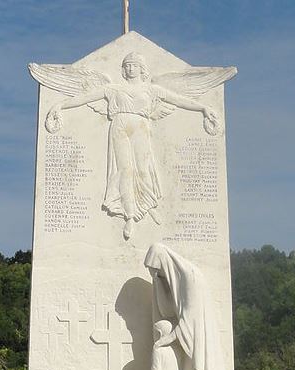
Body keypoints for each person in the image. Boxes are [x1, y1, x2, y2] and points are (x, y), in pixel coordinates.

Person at [44, 52, 220, 239]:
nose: (130, 68)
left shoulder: (153, 89)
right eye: (127, 65)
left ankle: (148, 204)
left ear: (141, 68)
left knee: (143, 169)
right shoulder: (112, 88)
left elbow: (178, 100)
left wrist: (203, 108)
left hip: (141, 128)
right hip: (119, 127)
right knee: (124, 171)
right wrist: (60, 105)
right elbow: (85, 97)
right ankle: (129, 215)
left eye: (133, 65)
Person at [144, 243, 239, 370]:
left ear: (164, 263)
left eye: (157, 271)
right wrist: (159, 284)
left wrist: (164, 341)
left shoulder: (190, 277)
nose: (157, 275)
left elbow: (189, 319)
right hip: (189, 345)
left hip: (198, 345)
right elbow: (169, 310)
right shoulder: (178, 278)